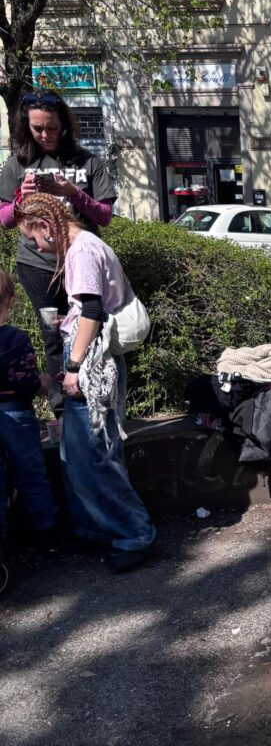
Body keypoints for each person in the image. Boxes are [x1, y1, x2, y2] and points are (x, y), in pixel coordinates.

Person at [14, 193, 155, 572]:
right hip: (91, 361)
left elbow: (92, 310)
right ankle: (99, 528)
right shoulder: (83, 247)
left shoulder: (81, 251)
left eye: (33, 239)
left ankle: (136, 535)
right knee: (79, 452)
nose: (36, 247)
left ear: (45, 226)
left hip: (92, 366)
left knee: (96, 454)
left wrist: (73, 365)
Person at [0, 90, 117, 415]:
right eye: (37, 128)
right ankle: (63, 408)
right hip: (37, 269)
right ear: (27, 127)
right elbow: (5, 220)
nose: (45, 135)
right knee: (53, 335)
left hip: (80, 267)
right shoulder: (18, 164)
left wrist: (73, 193)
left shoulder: (88, 161)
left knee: (89, 327)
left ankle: (95, 395)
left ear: (64, 124)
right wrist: (20, 200)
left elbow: (104, 217)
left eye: (51, 127)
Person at [0, 268, 57, 550]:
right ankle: (47, 534)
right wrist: (44, 382)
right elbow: (25, 383)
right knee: (32, 474)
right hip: (17, 415)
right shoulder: (16, 338)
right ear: (10, 301)